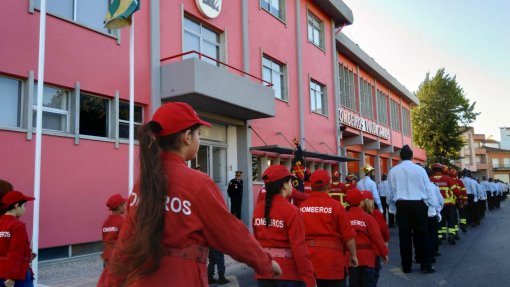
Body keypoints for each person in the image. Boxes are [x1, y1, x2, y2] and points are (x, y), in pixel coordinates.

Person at [98, 102, 281, 286]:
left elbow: (125, 244)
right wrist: (264, 262)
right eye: (198, 134)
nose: (198, 139)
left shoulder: (142, 184)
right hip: (182, 278)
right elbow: (230, 232)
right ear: (187, 137)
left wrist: (107, 283)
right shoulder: (198, 183)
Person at [253, 165, 316, 287]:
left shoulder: (258, 210)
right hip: (289, 275)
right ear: (284, 185)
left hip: (265, 274)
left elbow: (256, 242)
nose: (292, 185)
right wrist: (309, 278)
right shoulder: (292, 211)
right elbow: (299, 248)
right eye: (290, 182)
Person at [300, 169, 357, 287]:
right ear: (328, 185)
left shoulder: (302, 206)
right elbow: (348, 235)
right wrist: (353, 255)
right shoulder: (336, 207)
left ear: (311, 185)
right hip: (333, 263)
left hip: (308, 262)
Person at [387, 145, 434, 273]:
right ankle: (425, 264)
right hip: (419, 204)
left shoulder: (393, 171)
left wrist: (391, 206)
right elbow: (428, 188)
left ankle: (406, 266)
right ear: (412, 156)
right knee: (422, 235)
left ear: (400, 157)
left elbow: (390, 192)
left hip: (402, 205)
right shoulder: (420, 170)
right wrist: (432, 205)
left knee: (404, 236)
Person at [345, 189, 389, 287]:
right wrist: (384, 253)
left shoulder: (345, 217)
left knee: (354, 283)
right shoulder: (368, 218)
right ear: (361, 202)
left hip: (350, 258)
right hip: (368, 258)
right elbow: (377, 237)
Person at [0, 191, 36, 287]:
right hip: (17, 276)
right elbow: (15, 252)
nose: (24, 209)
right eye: (24, 206)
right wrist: (11, 277)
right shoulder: (18, 225)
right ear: (16, 206)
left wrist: (27, 255)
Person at [360, 190, 389, 285]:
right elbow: (383, 231)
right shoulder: (376, 214)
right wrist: (384, 246)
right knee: (373, 278)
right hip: (374, 252)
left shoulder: (355, 214)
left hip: (357, 252)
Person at [429, 163, 460, 245]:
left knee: (439, 221)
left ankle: (439, 237)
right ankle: (451, 235)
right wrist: (459, 198)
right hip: (449, 204)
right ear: (442, 170)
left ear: (433, 170)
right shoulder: (448, 178)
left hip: (437, 205)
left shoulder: (430, 179)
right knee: (451, 220)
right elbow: (456, 191)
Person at [101, 194, 127, 267]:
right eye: (124, 204)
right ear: (120, 207)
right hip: (118, 258)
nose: (125, 206)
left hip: (107, 258)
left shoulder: (105, 222)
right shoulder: (123, 222)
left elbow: (104, 240)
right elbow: (125, 240)